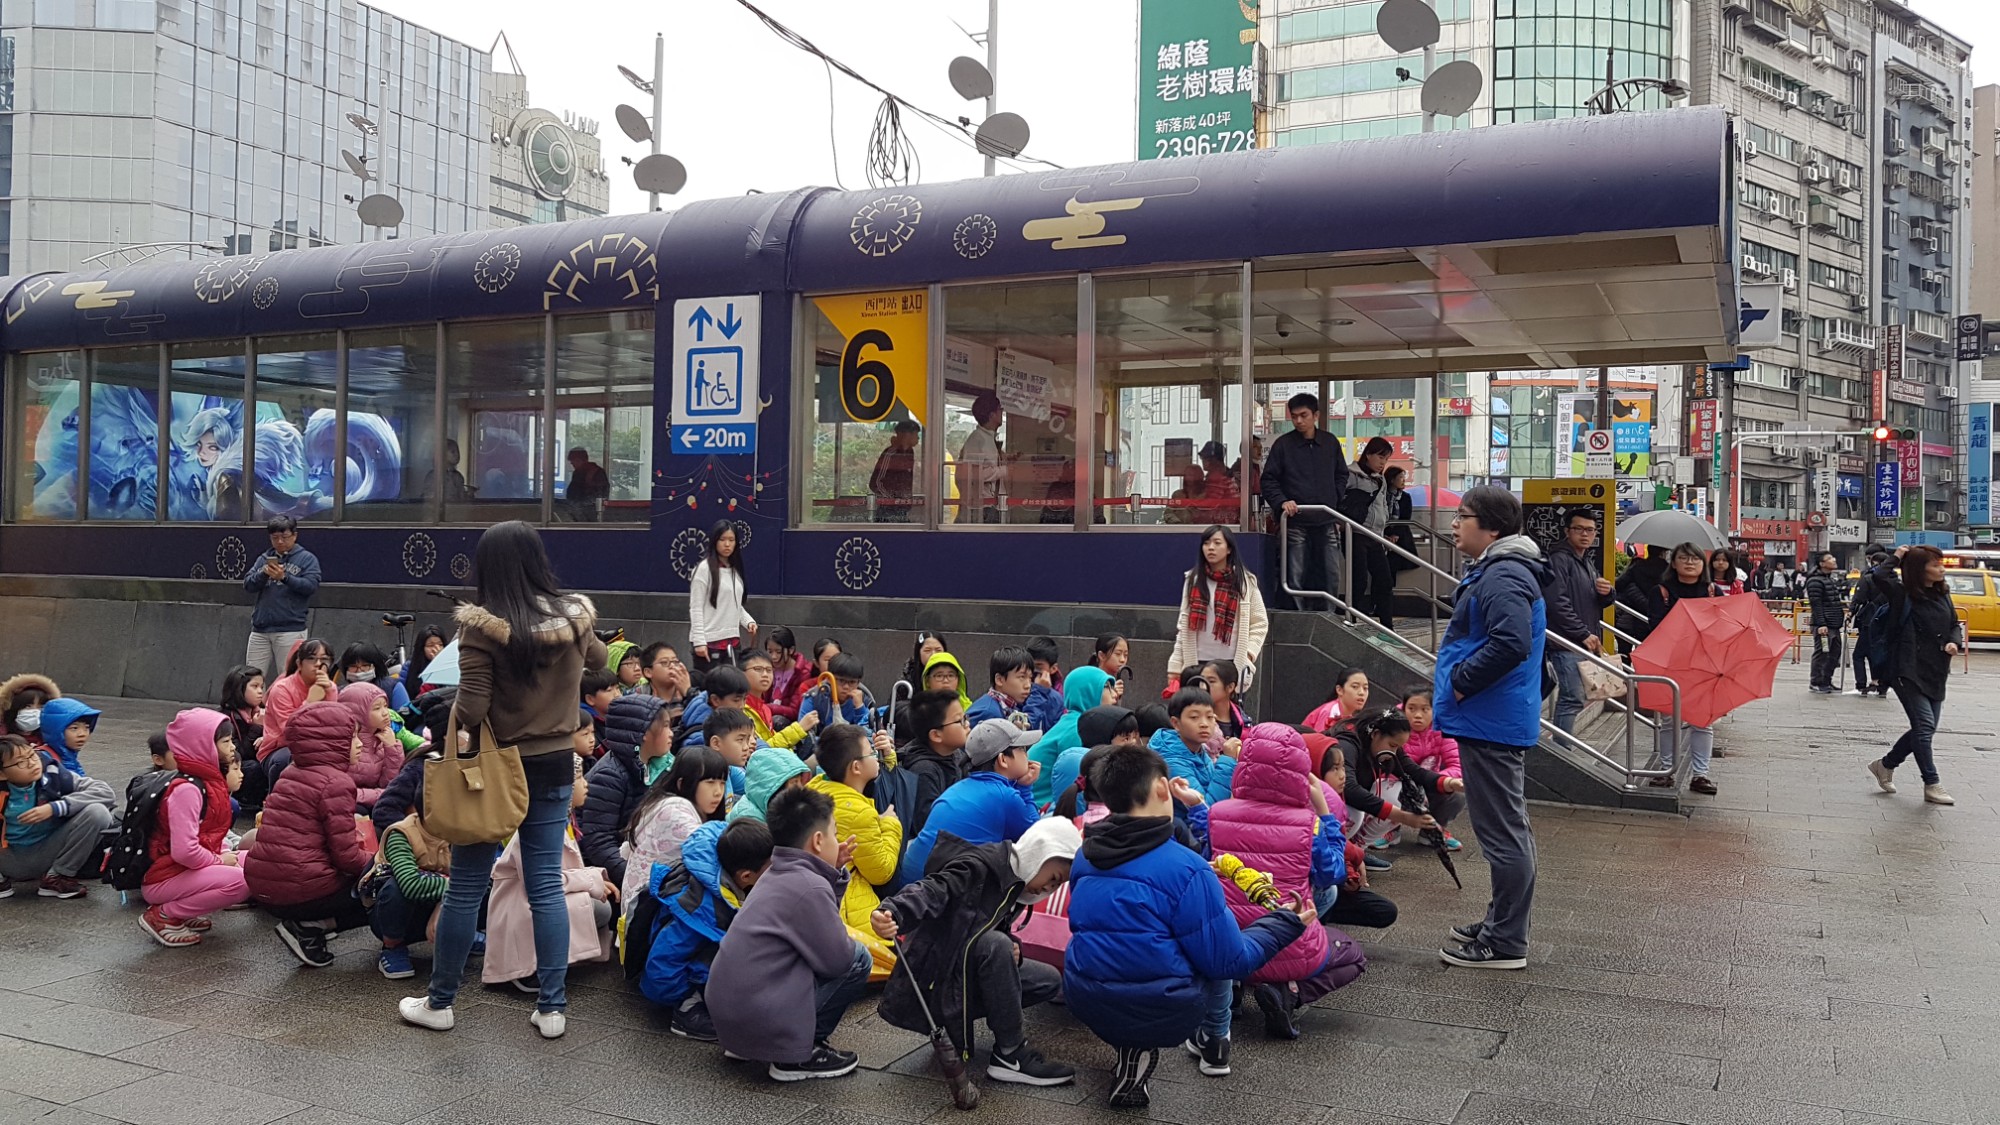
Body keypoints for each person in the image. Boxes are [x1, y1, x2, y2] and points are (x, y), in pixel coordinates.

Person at [399, 520, 608, 1040]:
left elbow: (471, 709)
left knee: (467, 886)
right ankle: (552, 1008)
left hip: (493, 772)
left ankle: (441, 1002)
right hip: (556, 763)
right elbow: (600, 660)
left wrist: (455, 712)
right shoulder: (574, 618)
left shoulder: (481, 629)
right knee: (545, 886)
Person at [1064, 744, 1309, 1108]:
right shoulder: (1186, 867)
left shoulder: (1085, 853)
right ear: (1161, 788)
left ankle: (1131, 1046)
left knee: (1127, 950)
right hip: (1163, 1005)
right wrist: (1284, 923)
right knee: (1213, 955)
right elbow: (1229, 961)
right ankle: (1213, 1040)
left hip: (1083, 996)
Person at [870, 817, 1081, 1087]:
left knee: (1048, 979)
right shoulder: (978, 866)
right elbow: (933, 889)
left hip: (961, 971)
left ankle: (959, 1022)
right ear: (1041, 852)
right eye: (1053, 879)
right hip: (934, 979)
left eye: (1057, 886)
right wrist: (893, 910)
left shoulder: (1015, 880)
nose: (1049, 889)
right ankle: (1010, 1054)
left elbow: (982, 926)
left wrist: (1013, 945)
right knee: (996, 945)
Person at [1434, 485, 1546, 971]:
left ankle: (1505, 942)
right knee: (1506, 829)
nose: (1455, 524)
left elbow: (1512, 642)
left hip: (1489, 718)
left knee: (1503, 834)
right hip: (1492, 715)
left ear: (1493, 528)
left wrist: (1462, 681)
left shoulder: (1503, 573)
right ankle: (1501, 924)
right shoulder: (1500, 568)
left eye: (1464, 516)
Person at [707, 786, 873, 1081]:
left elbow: (814, 926)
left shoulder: (775, 873)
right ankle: (799, 1056)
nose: (836, 840)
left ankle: (753, 1045)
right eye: (834, 833)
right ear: (818, 841)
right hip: (760, 1017)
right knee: (859, 957)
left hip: (729, 1018)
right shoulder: (809, 885)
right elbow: (838, 960)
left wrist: (831, 871)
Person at [1208, 723, 1357, 1043]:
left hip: (1228, 944)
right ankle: (1291, 992)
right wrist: (1325, 814)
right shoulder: (1308, 823)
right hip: (1287, 943)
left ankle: (1234, 989)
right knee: (1353, 955)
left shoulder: (1217, 813)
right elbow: (1332, 873)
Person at [243, 701, 373, 966]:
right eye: (352, 738)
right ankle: (312, 926)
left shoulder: (291, 771)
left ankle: (312, 926)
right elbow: (347, 857)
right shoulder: (336, 782)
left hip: (263, 885)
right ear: (331, 742)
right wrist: (377, 863)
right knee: (383, 888)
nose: (360, 744)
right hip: (301, 891)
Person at [483, 755, 617, 992]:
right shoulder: (535, 831)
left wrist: (594, 878)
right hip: (521, 909)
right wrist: (591, 880)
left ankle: (552, 958)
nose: (586, 784)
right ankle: (529, 967)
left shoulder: (560, 822)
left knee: (599, 904)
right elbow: (541, 883)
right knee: (595, 906)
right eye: (578, 778)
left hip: (528, 904)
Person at [633, 818, 774, 1038]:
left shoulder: (731, 859)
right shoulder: (700, 909)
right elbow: (661, 966)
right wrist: (683, 995)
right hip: (672, 978)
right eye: (771, 868)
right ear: (746, 876)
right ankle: (686, 1011)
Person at [1865, 546, 1961, 806]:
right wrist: (1897, 555)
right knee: (1925, 726)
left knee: (1924, 728)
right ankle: (1932, 783)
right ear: (1920, 569)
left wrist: (1954, 642)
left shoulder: (1942, 594)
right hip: (1906, 669)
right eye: (1935, 564)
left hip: (1936, 669)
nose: (1941, 568)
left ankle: (1886, 764)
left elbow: (1954, 624)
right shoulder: (1902, 593)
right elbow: (1879, 576)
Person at [807, 724, 903, 971]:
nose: (876, 756)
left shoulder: (818, 786)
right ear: (856, 767)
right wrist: (891, 825)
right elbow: (881, 871)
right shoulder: (858, 813)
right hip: (849, 908)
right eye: (871, 751)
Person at [899, 719, 1040, 883]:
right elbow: (1037, 842)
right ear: (1003, 760)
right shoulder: (1004, 796)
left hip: (911, 883)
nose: (1027, 755)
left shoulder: (960, 786)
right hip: (932, 890)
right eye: (1022, 749)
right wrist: (1026, 788)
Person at [1259, 392, 1349, 609]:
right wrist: (1282, 502)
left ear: (1316, 415)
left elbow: (1341, 474)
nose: (1298, 421)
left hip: (1326, 518)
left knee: (1331, 572)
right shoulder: (1283, 445)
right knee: (1294, 574)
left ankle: (1328, 615)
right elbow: (1269, 479)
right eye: (1294, 416)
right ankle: (1298, 618)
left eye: (1303, 415)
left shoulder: (1329, 442)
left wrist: (1334, 498)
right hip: (1295, 520)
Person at [1337, 706, 1465, 858]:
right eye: (1392, 745)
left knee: (1396, 793)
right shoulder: (1347, 745)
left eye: (1398, 747)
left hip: (1351, 801)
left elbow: (1414, 771)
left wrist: (1450, 783)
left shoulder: (1388, 749)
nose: (1394, 752)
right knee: (1354, 815)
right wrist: (1402, 817)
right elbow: (1348, 788)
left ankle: (1357, 852)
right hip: (1330, 804)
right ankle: (1339, 853)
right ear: (1375, 734)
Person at [0, 734, 115, 901]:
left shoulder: (52, 773)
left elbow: (105, 792)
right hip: (8, 859)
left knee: (98, 813)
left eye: (32, 755)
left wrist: (55, 808)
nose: (32, 763)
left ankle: (57, 877)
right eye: (20, 762)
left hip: (50, 851)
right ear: (2, 774)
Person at [581, 693, 674, 889]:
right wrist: (636, 880)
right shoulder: (610, 776)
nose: (671, 733)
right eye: (665, 726)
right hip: (614, 876)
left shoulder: (660, 766)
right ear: (643, 732)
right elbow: (598, 841)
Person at [1307, 732, 1399, 931]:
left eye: (1343, 767)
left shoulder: (1334, 800)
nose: (1342, 775)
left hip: (1327, 875)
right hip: (1312, 885)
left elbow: (1339, 846)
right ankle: (1314, 927)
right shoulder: (1311, 809)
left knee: (1384, 910)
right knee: (1330, 891)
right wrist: (1349, 868)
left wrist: (1352, 870)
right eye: (1334, 768)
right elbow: (1328, 865)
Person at [623, 746, 730, 913]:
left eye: (722, 783)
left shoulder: (670, 803)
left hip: (659, 899)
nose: (718, 792)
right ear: (682, 783)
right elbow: (709, 851)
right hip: (648, 909)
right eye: (710, 783)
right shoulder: (675, 811)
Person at [1649, 543, 1720, 796]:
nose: (1690, 562)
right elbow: (1656, 627)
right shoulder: (1661, 591)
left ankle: (1700, 775)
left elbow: (1722, 627)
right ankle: (1666, 771)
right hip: (1672, 662)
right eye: (1684, 558)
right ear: (1674, 562)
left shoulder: (1713, 591)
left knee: (1703, 721)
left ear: (1703, 564)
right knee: (1670, 720)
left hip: (1705, 664)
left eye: (1695, 558)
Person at [364, 778, 452, 980]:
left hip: (437, 903)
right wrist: (451, 887)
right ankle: (392, 947)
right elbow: (410, 884)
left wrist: (443, 904)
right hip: (396, 914)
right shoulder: (401, 833)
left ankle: (458, 934)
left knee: (488, 884)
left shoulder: (459, 830)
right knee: (396, 889)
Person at [1168, 525, 1270, 690]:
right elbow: (1183, 625)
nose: (1211, 548)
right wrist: (1175, 665)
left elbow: (1259, 623)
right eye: (1206, 543)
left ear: (1229, 548)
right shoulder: (1193, 580)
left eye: (1217, 543)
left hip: (1230, 664)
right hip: (1197, 662)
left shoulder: (1244, 581)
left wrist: (1248, 655)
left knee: (1226, 706)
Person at [1542, 508, 1615, 735]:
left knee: (1576, 697)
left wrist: (1608, 593)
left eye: (1590, 530)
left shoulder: (1585, 561)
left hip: (1582, 640)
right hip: (1567, 642)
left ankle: (1562, 746)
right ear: (1567, 531)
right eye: (1579, 529)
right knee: (1572, 698)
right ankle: (1561, 750)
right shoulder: (1559, 559)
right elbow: (1556, 602)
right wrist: (1582, 632)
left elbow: (1593, 600)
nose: (1585, 534)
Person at [243, 515, 321, 682]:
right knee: (251, 677)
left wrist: (285, 578)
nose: (279, 542)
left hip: (290, 629)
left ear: (294, 535)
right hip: (260, 629)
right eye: (275, 537)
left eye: (284, 537)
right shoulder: (264, 558)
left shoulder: (307, 559)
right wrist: (263, 574)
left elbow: (310, 586)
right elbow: (248, 584)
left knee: (289, 678)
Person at [1026, 665, 1116, 807]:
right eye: (1106, 687)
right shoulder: (1078, 728)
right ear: (1087, 691)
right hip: (1042, 806)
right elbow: (1076, 784)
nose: (1114, 694)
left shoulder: (1074, 721)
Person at [258, 638, 335, 782]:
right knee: (289, 759)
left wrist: (329, 693)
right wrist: (310, 702)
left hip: (317, 746)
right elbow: (290, 731)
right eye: (312, 659)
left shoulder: (330, 687)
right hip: (281, 748)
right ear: (299, 663)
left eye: (324, 660)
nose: (318, 664)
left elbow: (333, 725)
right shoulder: (282, 689)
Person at [1150, 686, 1234, 815]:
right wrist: (1228, 761)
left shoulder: (1198, 750)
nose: (1204, 724)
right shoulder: (1171, 761)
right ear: (1175, 723)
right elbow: (1206, 809)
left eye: (1209, 717)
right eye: (1194, 717)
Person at [1341, 436, 1397, 624]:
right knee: (1359, 580)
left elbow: (1382, 505)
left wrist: (1383, 528)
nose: (1383, 463)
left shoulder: (1381, 480)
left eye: (1386, 459)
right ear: (1368, 454)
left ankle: (1387, 626)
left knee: (1385, 580)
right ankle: (1351, 620)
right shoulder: (1350, 474)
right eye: (1380, 457)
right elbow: (1338, 498)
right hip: (1355, 533)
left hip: (1375, 536)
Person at [902, 690, 971, 839]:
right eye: (959, 721)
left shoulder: (957, 755)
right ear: (936, 735)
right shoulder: (923, 771)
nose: (967, 724)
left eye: (965, 717)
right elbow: (927, 826)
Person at [689, 521, 756, 674]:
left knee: (731, 685)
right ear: (714, 541)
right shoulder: (703, 569)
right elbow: (696, 607)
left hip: (733, 642)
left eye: (731, 540)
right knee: (710, 686)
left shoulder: (734, 569)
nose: (727, 544)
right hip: (708, 642)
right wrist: (699, 642)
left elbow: (734, 604)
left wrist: (748, 621)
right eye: (722, 539)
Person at [1401, 689, 1463, 849]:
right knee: (1385, 789)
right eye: (1411, 709)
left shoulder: (1442, 729)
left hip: (1431, 782)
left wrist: (1436, 780)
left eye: (1425, 709)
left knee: (1457, 795)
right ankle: (1386, 830)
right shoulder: (1394, 727)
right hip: (1400, 784)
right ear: (1403, 709)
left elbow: (1456, 765)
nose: (1418, 715)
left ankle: (1432, 831)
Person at [339, 683, 405, 812]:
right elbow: (342, 792)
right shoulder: (344, 743)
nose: (385, 713)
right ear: (359, 714)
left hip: (374, 801)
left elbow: (388, 784)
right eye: (377, 708)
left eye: (385, 706)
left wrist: (392, 748)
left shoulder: (382, 738)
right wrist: (381, 795)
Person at [740, 649, 819, 754]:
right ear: (741, 673)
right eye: (758, 669)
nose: (765, 674)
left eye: (769, 670)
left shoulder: (765, 708)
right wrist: (799, 728)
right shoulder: (740, 708)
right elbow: (761, 749)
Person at [219, 665, 270, 808]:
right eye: (254, 686)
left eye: (261, 687)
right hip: (235, 767)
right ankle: (245, 799)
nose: (260, 691)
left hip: (259, 758)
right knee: (254, 768)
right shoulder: (227, 717)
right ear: (239, 689)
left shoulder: (261, 712)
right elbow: (237, 754)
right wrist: (257, 728)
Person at [726, 742, 813, 823]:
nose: (800, 787)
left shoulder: (766, 806)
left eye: (800, 781)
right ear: (775, 786)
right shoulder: (749, 819)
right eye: (794, 782)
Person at [955, 392, 1006, 524]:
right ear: (992, 415)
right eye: (999, 409)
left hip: (991, 505)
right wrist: (1005, 470)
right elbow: (972, 474)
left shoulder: (988, 438)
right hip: (980, 509)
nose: (1002, 412)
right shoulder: (977, 440)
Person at [1850, 544, 1892, 695]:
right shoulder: (1895, 578)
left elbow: (1858, 598)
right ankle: (1880, 684)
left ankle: (1861, 684)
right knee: (1879, 652)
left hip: (1870, 619)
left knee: (1859, 654)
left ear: (1873, 560)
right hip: (1888, 620)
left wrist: (1851, 613)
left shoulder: (1868, 577)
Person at [798, 653, 876, 734]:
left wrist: (860, 708)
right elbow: (803, 733)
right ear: (829, 678)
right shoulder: (815, 697)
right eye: (841, 680)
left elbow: (870, 734)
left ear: (858, 683)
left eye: (852, 682)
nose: (846, 686)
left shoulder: (864, 699)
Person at [1806, 552, 1847, 695]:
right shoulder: (1815, 581)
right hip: (1823, 625)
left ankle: (1826, 680)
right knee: (1822, 653)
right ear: (1821, 564)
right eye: (1829, 558)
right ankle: (1816, 682)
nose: (1834, 559)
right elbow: (1816, 604)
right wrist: (1821, 624)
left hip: (1834, 624)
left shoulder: (1829, 579)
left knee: (1834, 654)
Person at [966, 646, 1035, 729]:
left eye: (1030, 678)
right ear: (999, 680)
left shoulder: (1011, 708)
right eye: (1022, 677)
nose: (1028, 685)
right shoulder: (987, 713)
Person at [335, 642, 412, 714]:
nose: (359, 670)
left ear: (375, 666)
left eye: (365, 666)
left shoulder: (392, 687)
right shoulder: (339, 693)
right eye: (353, 666)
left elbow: (405, 716)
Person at [36, 696, 102, 777]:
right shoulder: (44, 761)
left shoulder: (69, 757)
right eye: (74, 728)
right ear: (56, 730)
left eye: (87, 728)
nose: (82, 734)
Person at [869, 420, 921, 522]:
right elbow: (875, 483)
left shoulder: (910, 453)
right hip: (887, 511)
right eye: (915, 434)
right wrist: (892, 500)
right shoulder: (890, 453)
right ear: (906, 434)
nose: (918, 438)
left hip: (903, 509)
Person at [764, 628, 813, 722]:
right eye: (770, 652)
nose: (773, 657)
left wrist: (768, 708)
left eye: (778, 652)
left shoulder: (802, 673)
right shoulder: (766, 668)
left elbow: (795, 711)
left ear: (791, 650)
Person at [1303, 666, 1370, 734]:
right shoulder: (1329, 712)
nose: (1362, 693)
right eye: (1355, 687)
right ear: (1339, 690)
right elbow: (1318, 739)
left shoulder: (1352, 720)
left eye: (1365, 688)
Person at [564, 448, 611, 521]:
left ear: (579, 460)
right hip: (581, 510)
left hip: (588, 513)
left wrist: (578, 505)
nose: (572, 464)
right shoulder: (579, 472)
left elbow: (600, 495)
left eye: (573, 461)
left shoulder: (595, 473)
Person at [1383, 465, 1416, 566]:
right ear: (1392, 480)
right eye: (1400, 477)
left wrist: (1395, 535)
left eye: (1404, 477)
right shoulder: (1381, 495)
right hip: (1383, 534)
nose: (1404, 480)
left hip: (1401, 536)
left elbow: (1405, 518)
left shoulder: (1405, 497)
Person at [405, 625, 450, 691]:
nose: (436, 649)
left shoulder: (450, 665)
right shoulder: (409, 666)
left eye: (440, 645)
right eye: (430, 645)